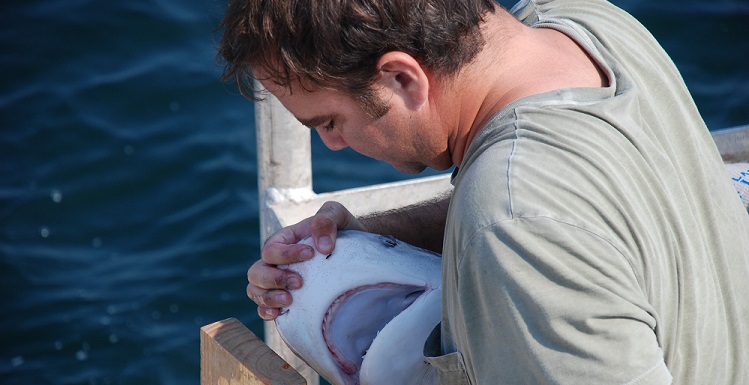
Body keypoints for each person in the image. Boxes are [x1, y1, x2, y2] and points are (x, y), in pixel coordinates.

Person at [217, 0, 749, 383]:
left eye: (329, 120)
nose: (332, 145)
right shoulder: (592, 25)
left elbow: (521, 220)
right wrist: (380, 234)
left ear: (404, 78)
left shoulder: (512, 222)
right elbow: (575, 209)